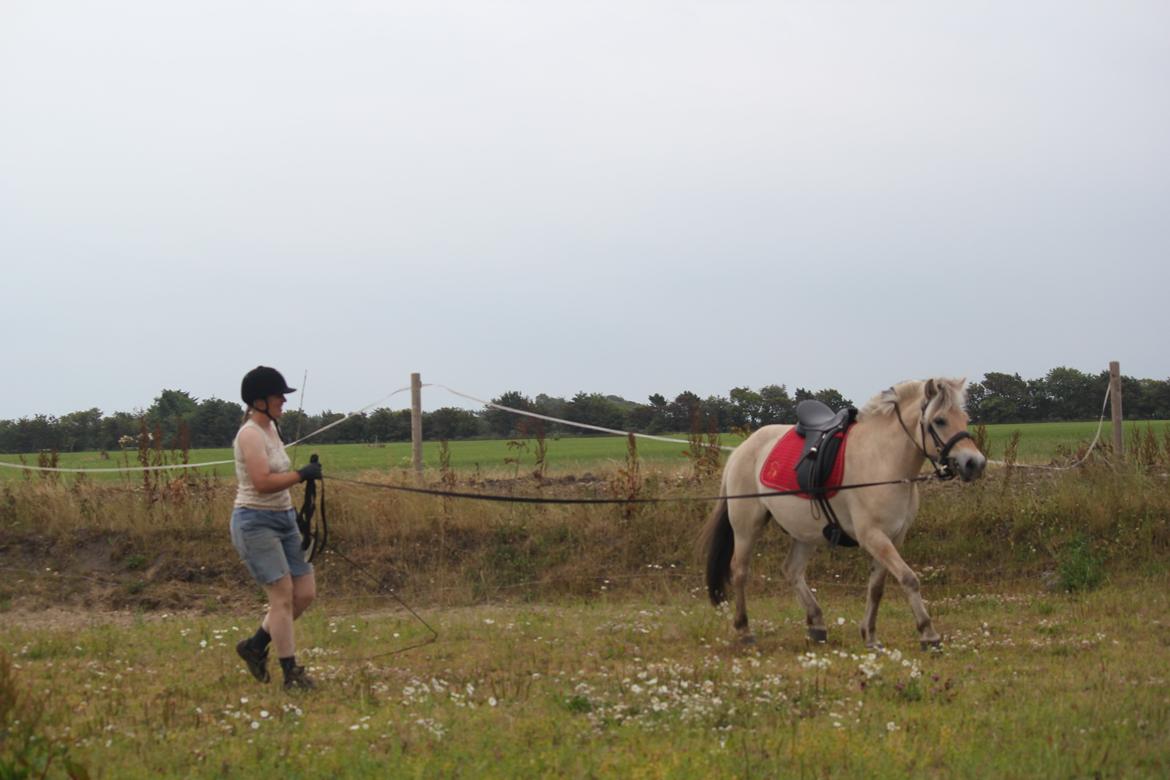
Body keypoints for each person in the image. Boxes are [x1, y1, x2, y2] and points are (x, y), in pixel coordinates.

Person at [230, 366, 322, 690]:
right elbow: (262, 481)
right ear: (259, 401)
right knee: (282, 597)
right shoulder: (250, 434)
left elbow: (279, 480)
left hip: (283, 518)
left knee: (305, 593)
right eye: (277, 395)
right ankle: (291, 674)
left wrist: (302, 477)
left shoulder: (272, 429)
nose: (283, 400)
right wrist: (301, 475)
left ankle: (255, 645)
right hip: (255, 522)